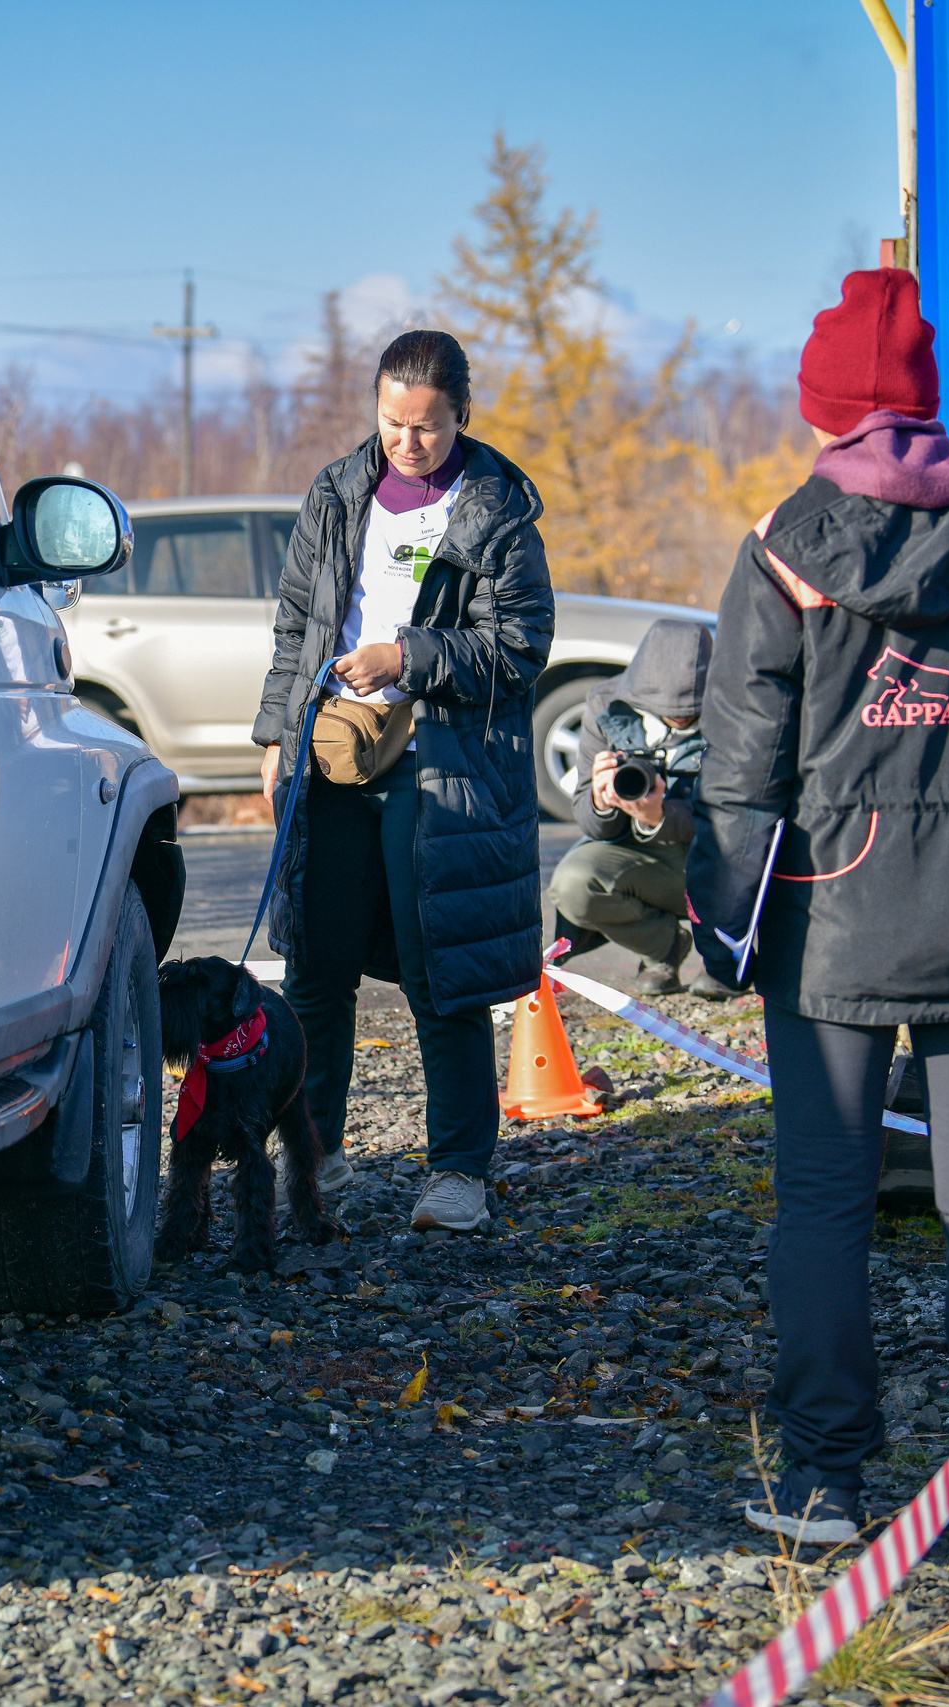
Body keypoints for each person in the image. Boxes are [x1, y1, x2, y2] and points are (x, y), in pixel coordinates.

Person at [687, 268, 949, 1549]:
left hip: (829, 930)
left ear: (824, 409)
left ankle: (823, 1483)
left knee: (822, 1205)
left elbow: (739, 775)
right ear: (925, 401)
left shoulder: (778, 547)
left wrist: (719, 929)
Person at [254, 329, 555, 1233]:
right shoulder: (339, 491)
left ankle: (458, 1173)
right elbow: (297, 623)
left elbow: (521, 646)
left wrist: (407, 657)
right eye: (391, 423)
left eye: (425, 427)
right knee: (316, 966)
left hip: (443, 766)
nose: (406, 443)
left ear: (462, 413)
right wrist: (275, 737)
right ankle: (317, 1158)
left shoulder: (498, 510)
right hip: (334, 755)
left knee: (441, 976)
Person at [543, 619, 736, 999]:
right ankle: (663, 947)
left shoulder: (736, 713)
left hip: (722, 862)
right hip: (647, 862)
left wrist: (662, 818)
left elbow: (742, 816)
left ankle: (741, 963)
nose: (680, 717)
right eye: (669, 709)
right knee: (573, 884)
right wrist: (602, 802)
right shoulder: (608, 708)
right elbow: (590, 820)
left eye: (690, 710)